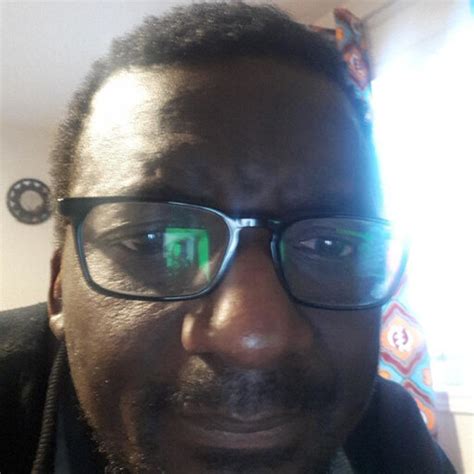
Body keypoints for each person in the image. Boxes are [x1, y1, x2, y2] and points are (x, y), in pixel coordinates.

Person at [0, 3, 455, 473]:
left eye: (329, 247)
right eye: (155, 241)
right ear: (59, 289)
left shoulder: (390, 435)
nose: (251, 338)